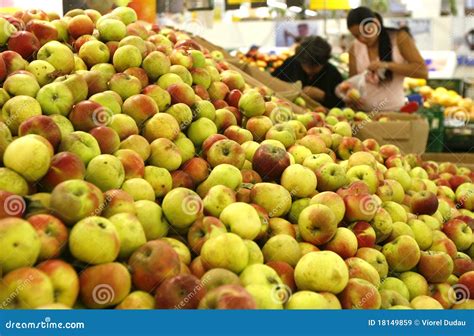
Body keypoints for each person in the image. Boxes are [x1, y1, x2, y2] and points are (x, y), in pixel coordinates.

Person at [341, 6, 428, 111]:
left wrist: (387, 65)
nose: (362, 39)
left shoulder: (399, 38)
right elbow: (353, 83)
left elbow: (422, 72)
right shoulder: (354, 47)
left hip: (394, 113)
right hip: (363, 116)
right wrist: (351, 96)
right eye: (356, 36)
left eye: (364, 32)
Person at [272, 36, 344, 108]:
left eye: (314, 67)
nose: (308, 70)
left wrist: (324, 97)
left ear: (324, 62)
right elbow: (272, 82)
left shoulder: (333, 74)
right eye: (305, 65)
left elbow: (342, 103)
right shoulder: (291, 63)